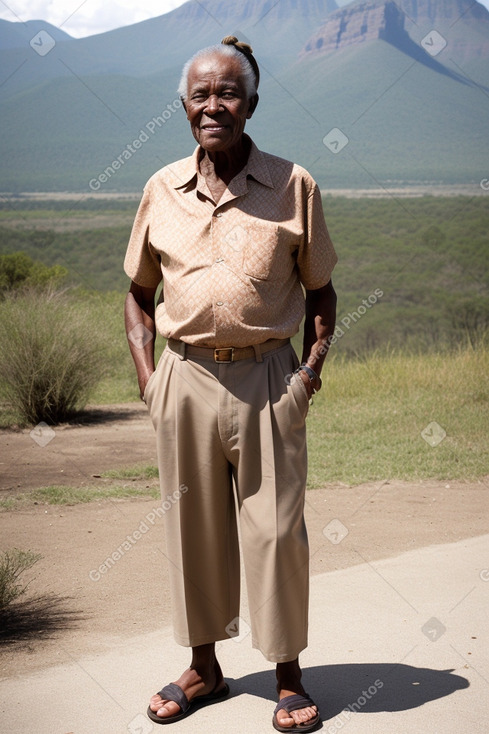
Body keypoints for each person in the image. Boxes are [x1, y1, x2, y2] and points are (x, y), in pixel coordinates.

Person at [124, 36, 337, 733]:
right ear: (183, 106)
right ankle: (204, 667)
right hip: (183, 378)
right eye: (199, 94)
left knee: (276, 531)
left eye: (227, 92)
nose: (212, 104)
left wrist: (307, 373)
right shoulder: (159, 188)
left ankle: (286, 675)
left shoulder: (292, 184)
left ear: (250, 103)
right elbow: (137, 291)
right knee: (193, 529)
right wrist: (149, 379)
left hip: (268, 379)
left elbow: (322, 291)